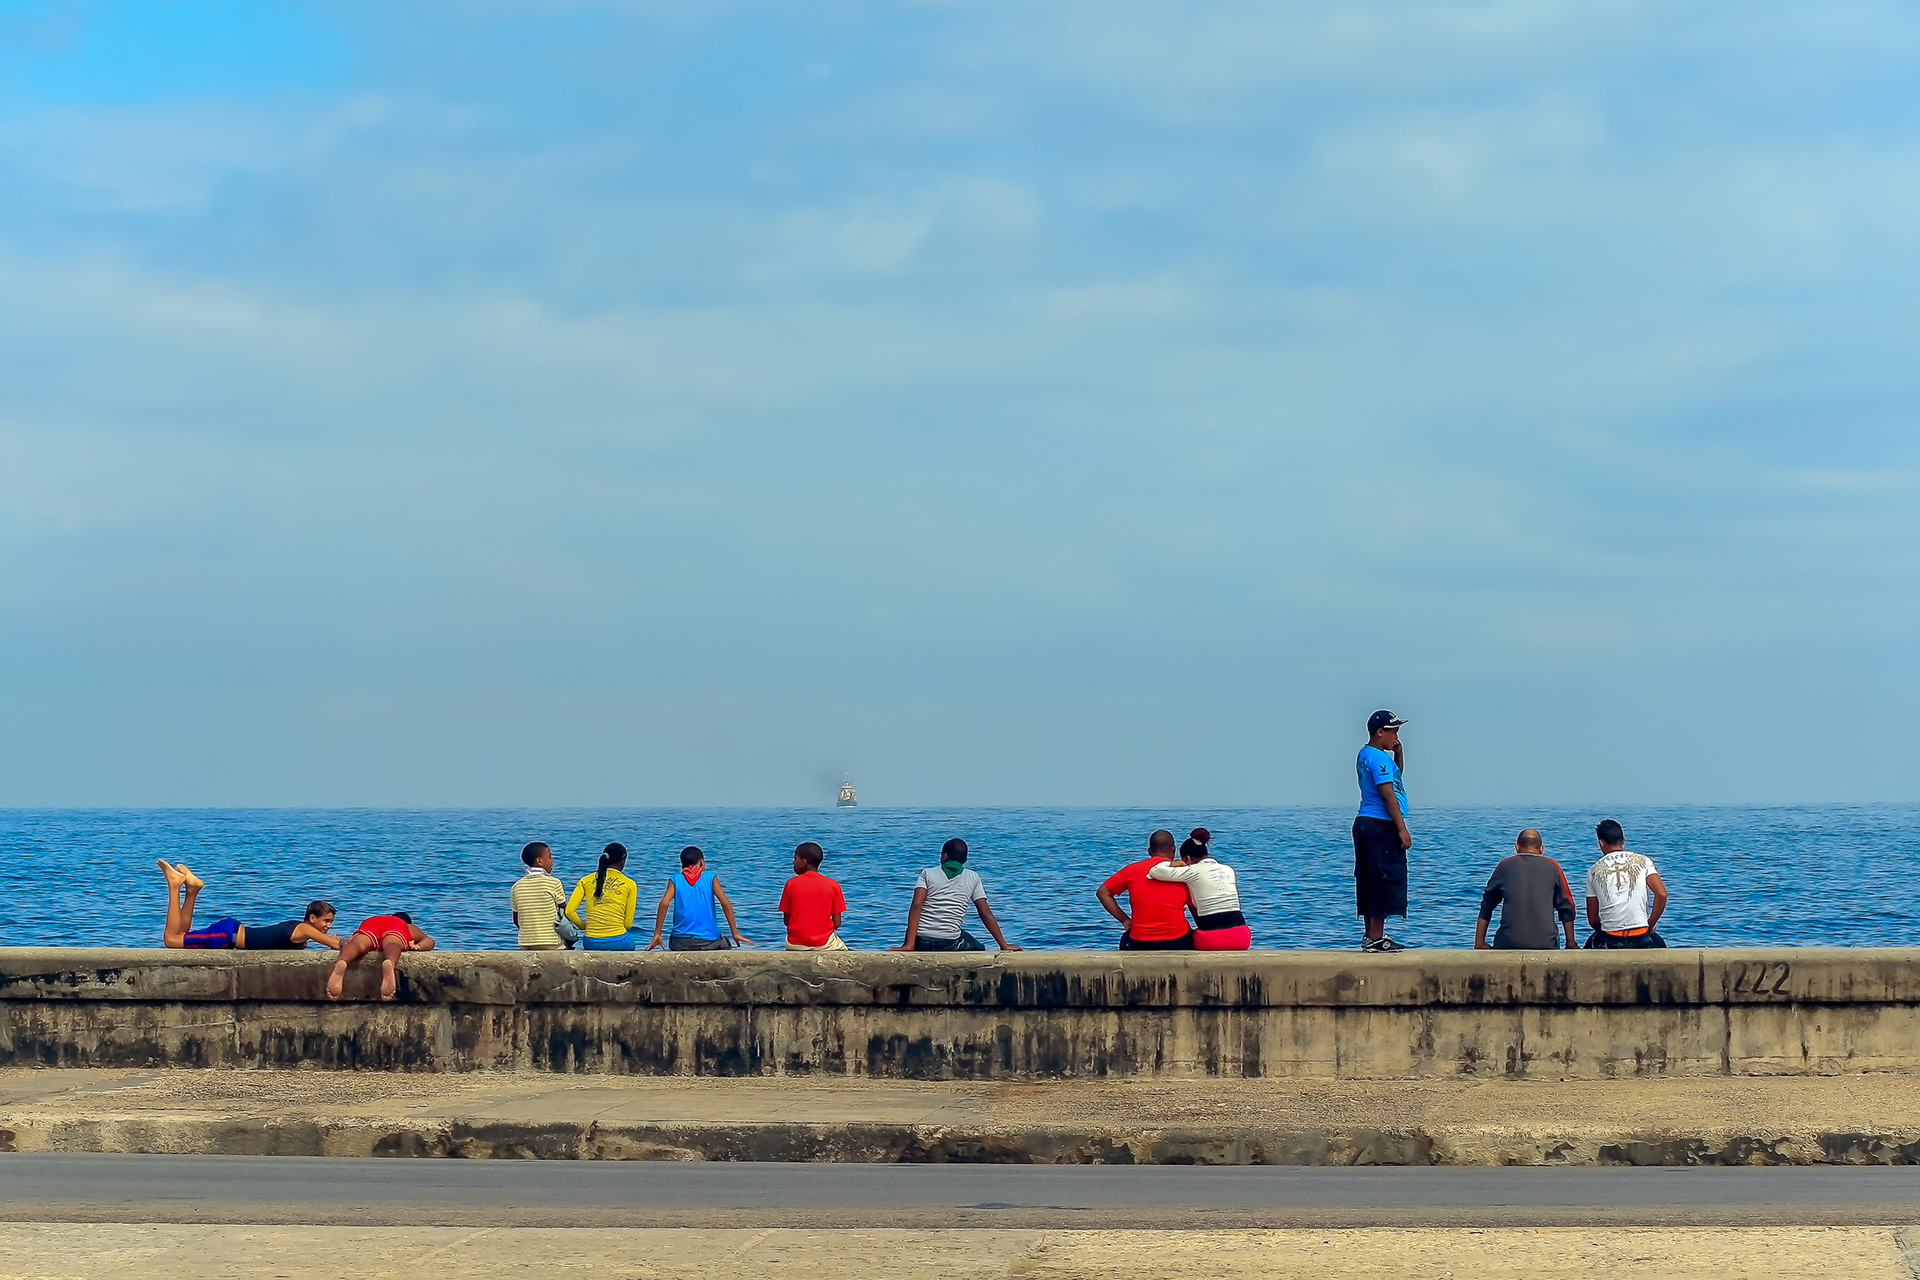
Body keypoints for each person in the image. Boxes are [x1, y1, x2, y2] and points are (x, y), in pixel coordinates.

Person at [155, 860, 341, 951]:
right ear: (312, 918)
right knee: (171, 940)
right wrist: (344, 941)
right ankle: (174, 886)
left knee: (181, 934)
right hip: (226, 936)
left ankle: (192, 891)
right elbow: (334, 944)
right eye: (326, 921)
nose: (328, 926)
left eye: (331, 922)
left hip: (230, 932)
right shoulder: (304, 929)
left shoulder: (300, 931)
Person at [889, 838, 1022, 953]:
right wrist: (1003, 945)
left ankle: (910, 944)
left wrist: (909, 945)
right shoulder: (973, 877)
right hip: (949, 943)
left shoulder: (927, 874)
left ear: (944, 856)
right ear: (965, 859)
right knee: (979, 948)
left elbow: (916, 905)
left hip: (921, 941)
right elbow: (985, 913)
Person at [1353, 709, 1413, 953]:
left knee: (1370, 878)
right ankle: (1376, 937)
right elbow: (1388, 794)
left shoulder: (1367, 754)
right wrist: (1402, 828)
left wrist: (1399, 754)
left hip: (1366, 823)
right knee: (1381, 878)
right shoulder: (1378, 758)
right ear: (1380, 732)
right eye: (1393, 732)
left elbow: (1396, 779)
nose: (1396, 737)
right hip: (1380, 824)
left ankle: (1371, 935)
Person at [1148, 828, 1250, 951]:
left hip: (1210, 940)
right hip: (1242, 938)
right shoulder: (1228, 869)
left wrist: (1174, 863)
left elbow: (1155, 871)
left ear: (1187, 859)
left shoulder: (1192, 870)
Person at [1474, 829, 1577, 951]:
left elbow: (1487, 904)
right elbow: (1567, 906)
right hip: (1546, 944)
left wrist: (1479, 943)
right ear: (1542, 849)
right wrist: (1571, 944)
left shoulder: (1504, 866)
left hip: (1507, 943)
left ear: (1517, 847)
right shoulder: (1553, 867)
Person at [1096, 829, 1195, 950]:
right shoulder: (1183, 873)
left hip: (1140, 941)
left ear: (1149, 851)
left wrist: (1125, 920)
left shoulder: (1131, 870)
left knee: (1125, 939)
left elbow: (1102, 892)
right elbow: (1195, 907)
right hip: (1177, 940)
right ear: (1174, 849)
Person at [646, 846, 753, 951]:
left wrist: (657, 934)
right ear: (701, 862)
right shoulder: (710, 877)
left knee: (674, 939)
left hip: (680, 943)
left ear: (682, 864)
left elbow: (664, 903)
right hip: (708, 942)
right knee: (726, 942)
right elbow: (725, 902)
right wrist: (735, 933)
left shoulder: (675, 879)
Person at [1585, 819, 1669, 949]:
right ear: (1623, 840)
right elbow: (1661, 894)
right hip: (1640, 935)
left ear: (1601, 843)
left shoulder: (1593, 871)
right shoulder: (1643, 861)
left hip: (1610, 938)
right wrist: (1650, 924)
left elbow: (1593, 920)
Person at [325, 912, 434, 1001]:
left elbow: (347, 940)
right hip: (396, 927)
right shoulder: (407, 926)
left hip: (371, 922)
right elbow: (430, 941)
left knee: (358, 944)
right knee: (393, 943)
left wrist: (342, 943)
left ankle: (343, 961)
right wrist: (418, 946)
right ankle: (390, 962)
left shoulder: (379, 919)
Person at [567, 842, 641, 951]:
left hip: (590, 942)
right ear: (623, 860)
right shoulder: (630, 884)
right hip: (618, 942)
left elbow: (569, 911)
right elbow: (628, 924)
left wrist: (584, 926)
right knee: (631, 942)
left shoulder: (585, 880)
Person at [778, 841, 848, 951]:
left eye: (795, 859)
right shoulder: (833, 885)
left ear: (804, 862)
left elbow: (787, 921)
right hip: (824, 944)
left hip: (795, 943)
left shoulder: (791, 884)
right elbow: (837, 923)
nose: (793, 862)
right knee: (844, 951)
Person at [511, 841, 578, 951]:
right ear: (539, 861)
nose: (552, 862)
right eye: (550, 857)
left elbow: (516, 920)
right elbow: (564, 911)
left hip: (526, 943)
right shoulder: (554, 883)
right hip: (552, 942)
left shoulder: (516, 886)